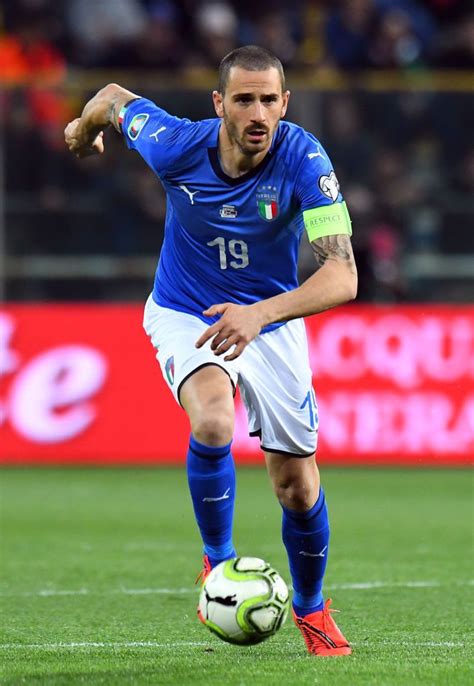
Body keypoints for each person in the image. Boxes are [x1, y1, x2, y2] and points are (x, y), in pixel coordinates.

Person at [64, 45, 357, 656]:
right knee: (215, 419)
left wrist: (261, 315)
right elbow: (112, 98)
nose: (257, 113)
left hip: (269, 320)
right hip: (185, 310)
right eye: (244, 99)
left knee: (297, 487)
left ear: (285, 104)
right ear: (219, 103)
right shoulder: (176, 143)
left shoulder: (304, 157)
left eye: (269, 100)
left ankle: (312, 610)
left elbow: (343, 276)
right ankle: (217, 566)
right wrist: (83, 127)